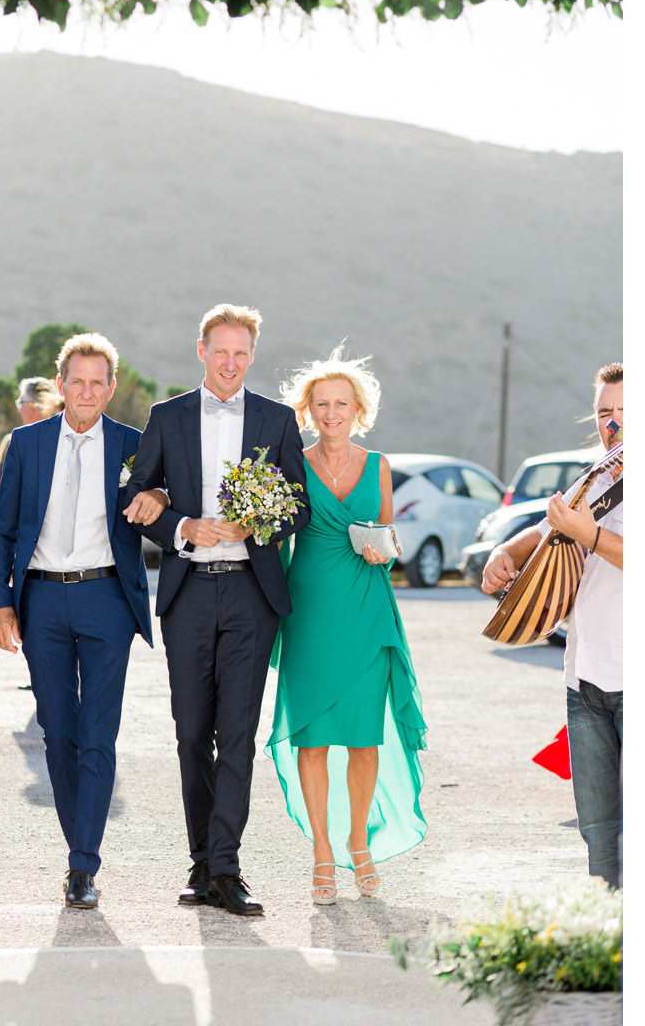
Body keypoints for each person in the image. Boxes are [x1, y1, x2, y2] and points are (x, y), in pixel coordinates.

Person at [121, 304, 311, 916]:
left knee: (238, 736)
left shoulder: (278, 420)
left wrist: (259, 520)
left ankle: (226, 869)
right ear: (201, 350)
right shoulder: (167, 416)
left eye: (241, 352)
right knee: (189, 734)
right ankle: (200, 861)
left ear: (252, 355)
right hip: (190, 594)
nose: (230, 363)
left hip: (253, 595)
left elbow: (299, 508)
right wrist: (182, 526)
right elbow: (135, 493)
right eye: (220, 351)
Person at [0, 334, 158, 909]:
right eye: (76, 381)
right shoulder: (27, 443)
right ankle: (78, 846)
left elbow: (161, 508)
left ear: (111, 388)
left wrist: (157, 497)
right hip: (41, 601)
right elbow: (2, 530)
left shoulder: (135, 446)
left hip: (107, 599)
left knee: (98, 735)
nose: (86, 392)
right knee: (58, 733)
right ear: (61, 385)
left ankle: (83, 863)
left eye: (97, 382)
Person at [266, 348, 428, 904]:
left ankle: (360, 844)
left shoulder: (380, 466)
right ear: (307, 411)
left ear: (359, 409)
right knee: (311, 740)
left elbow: (385, 533)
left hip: (366, 611)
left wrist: (386, 549)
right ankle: (321, 853)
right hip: (309, 612)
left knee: (363, 740)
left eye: (341, 403)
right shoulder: (290, 465)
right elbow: (275, 537)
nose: (331, 412)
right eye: (321, 403)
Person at [482, 361, 624, 887]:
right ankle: (611, 952)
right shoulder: (596, 476)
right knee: (598, 832)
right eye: (604, 412)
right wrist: (505, 550)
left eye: (625, 411)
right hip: (584, 678)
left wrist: (588, 535)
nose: (613, 423)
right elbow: (547, 529)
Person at [0, 377, 58, 515]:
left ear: (31, 405)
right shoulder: (61, 436)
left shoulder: (19, 441)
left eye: (20, 402)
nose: (18, 409)